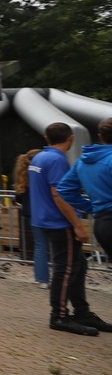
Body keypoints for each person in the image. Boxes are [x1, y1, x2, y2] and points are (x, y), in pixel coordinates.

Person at [29, 122, 109, 336]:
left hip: (44, 219)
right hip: (60, 222)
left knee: (78, 266)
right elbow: (59, 194)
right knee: (66, 270)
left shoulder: (39, 158)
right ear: (71, 139)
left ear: (46, 138)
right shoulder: (57, 160)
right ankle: (59, 316)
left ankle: (82, 311)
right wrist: (77, 224)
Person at [55, 116, 112, 296]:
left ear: (100, 136)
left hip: (102, 223)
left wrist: (92, 207)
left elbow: (64, 189)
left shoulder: (83, 161)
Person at [12, 149, 48, 287]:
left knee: (40, 246)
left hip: (30, 215)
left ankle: (42, 279)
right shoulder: (41, 176)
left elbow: (18, 197)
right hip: (45, 213)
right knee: (51, 246)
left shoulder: (23, 178)